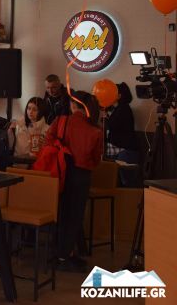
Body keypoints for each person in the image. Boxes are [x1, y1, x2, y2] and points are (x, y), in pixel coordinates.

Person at [51, 91, 102, 271]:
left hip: (60, 171)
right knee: (75, 216)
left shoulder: (61, 121)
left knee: (60, 212)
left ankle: (59, 253)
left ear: (73, 105)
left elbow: (48, 142)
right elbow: (96, 159)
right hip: (81, 175)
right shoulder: (95, 130)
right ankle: (66, 255)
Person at [105, 82, 137, 164]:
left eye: (111, 93)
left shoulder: (123, 109)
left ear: (119, 96)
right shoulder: (117, 108)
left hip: (125, 150)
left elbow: (112, 125)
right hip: (120, 147)